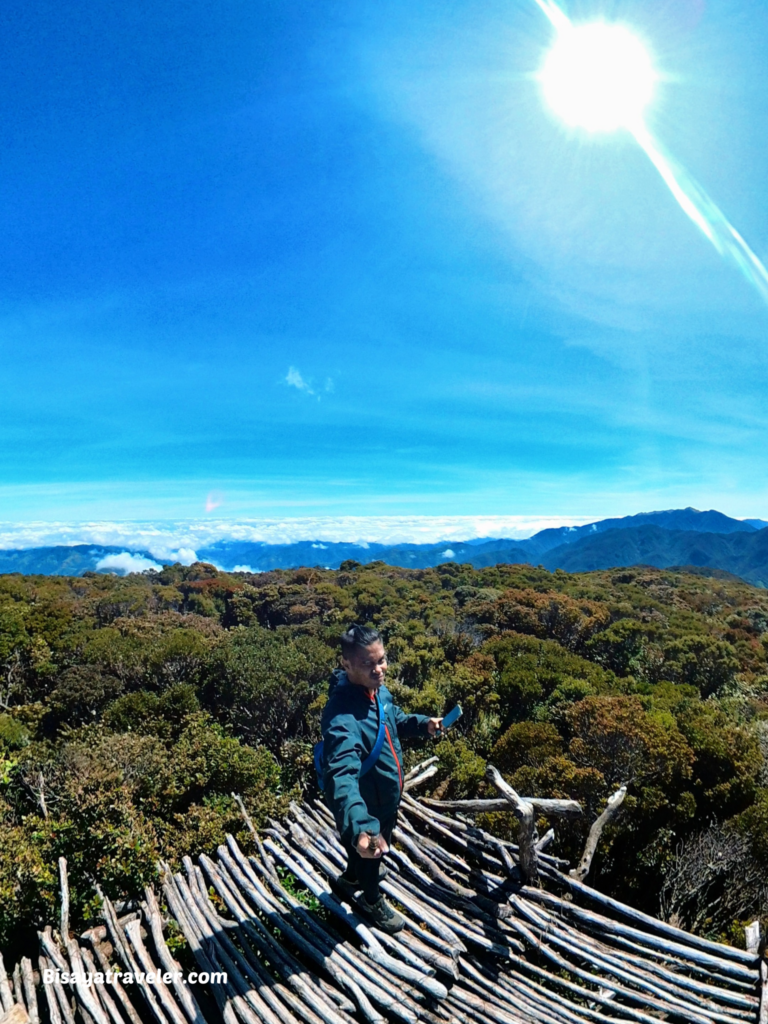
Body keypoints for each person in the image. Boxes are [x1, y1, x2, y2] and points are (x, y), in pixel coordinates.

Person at [320, 624, 442, 934]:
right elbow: (341, 775)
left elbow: (394, 720)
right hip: (366, 810)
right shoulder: (342, 717)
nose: (379, 669)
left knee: (365, 853)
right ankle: (371, 900)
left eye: (382, 660)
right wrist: (362, 827)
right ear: (346, 664)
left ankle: (350, 879)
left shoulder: (377, 691)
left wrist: (421, 724)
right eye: (368, 663)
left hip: (385, 799)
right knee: (371, 851)